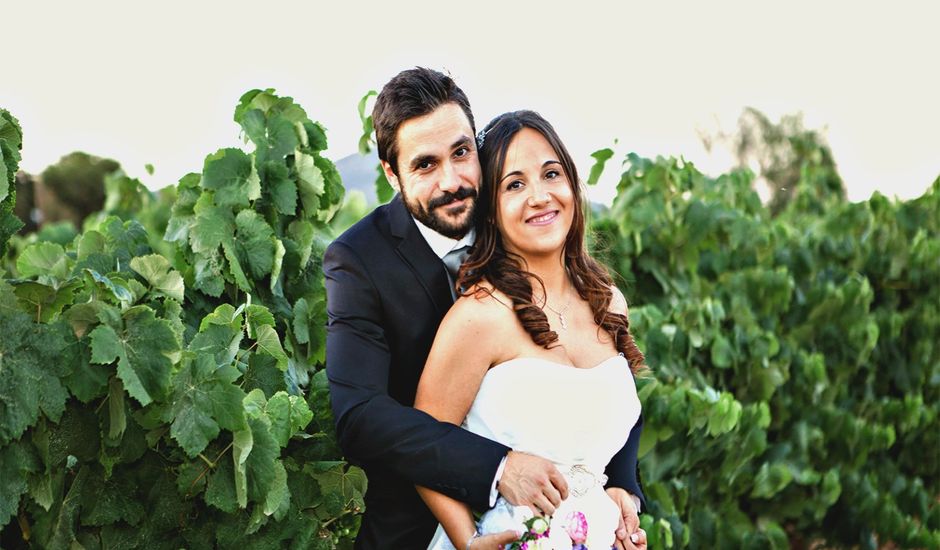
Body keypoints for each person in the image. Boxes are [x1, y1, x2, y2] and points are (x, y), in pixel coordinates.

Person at [323, 68, 644, 550]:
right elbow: (361, 415)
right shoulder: (361, 261)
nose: (452, 181)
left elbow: (605, 399)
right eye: (425, 165)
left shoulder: (590, 288)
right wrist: (496, 472)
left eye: (460, 153)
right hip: (426, 528)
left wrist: (622, 489)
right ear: (392, 173)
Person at [415, 110, 648, 550]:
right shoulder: (479, 316)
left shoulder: (608, 302)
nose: (540, 196)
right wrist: (467, 541)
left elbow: (610, 427)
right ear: (491, 210)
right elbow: (423, 445)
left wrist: (622, 493)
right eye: (515, 184)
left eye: (551, 173)